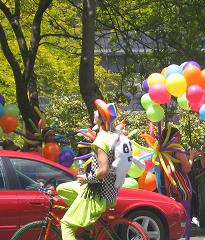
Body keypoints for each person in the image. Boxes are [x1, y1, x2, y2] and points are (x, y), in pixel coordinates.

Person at [57, 99, 144, 240]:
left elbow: (103, 171)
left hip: (96, 193)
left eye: (96, 112)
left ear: (102, 118)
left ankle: (85, 219)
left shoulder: (100, 140)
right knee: (62, 188)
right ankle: (89, 224)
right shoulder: (115, 135)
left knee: (66, 224)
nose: (94, 113)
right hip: (110, 193)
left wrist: (87, 178)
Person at [161, 127, 198, 240]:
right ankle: (186, 237)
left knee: (173, 214)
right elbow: (187, 168)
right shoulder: (177, 151)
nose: (180, 137)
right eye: (178, 135)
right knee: (185, 213)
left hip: (170, 185)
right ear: (171, 137)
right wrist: (192, 156)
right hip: (182, 185)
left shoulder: (164, 149)